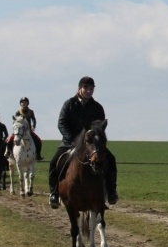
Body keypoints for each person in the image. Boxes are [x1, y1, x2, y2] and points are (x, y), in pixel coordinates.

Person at [48, 76, 118, 208]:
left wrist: (94, 139)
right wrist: (72, 139)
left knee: (111, 160)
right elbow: (61, 123)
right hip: (70, 142)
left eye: (91, 89)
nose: (89, 91)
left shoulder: (97, 107)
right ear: (79, 88)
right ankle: (54, 194)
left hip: (91, 144)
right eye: (86, 88)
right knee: (53, 163)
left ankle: (111, 191)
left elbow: (100, 127)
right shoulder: (69, 104)